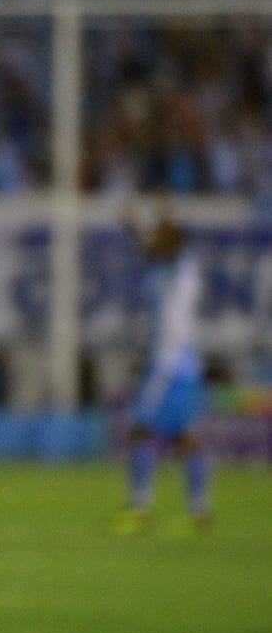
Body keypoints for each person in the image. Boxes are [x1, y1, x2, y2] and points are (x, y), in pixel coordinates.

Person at [112, 197, 211, 536]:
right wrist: (137, 224)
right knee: (186, 437)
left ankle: (140, 509)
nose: (156, 238)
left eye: (163, 234)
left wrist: (151, 217)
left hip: (169, 363)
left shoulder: (177, 266)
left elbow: (160, 242)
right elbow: (151, 245)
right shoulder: (169, 266)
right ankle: (199, 512)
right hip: (184, 362)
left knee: (139, 429)